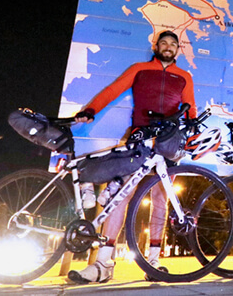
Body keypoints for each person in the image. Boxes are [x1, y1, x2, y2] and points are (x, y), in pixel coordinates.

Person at [67, 30, 196, 284]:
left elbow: (191, 110)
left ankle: (154, 263)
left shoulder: (184, 76)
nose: (168, 47)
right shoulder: (139, 69)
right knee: (122, 194)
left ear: (178, 49)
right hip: (141, 136)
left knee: (161, 199)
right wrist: (91, 109)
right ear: (156, 46)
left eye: (173, 44)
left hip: (169, 139)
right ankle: (103, 263)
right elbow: (113, 90)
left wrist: (193, 139)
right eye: (164, 43)